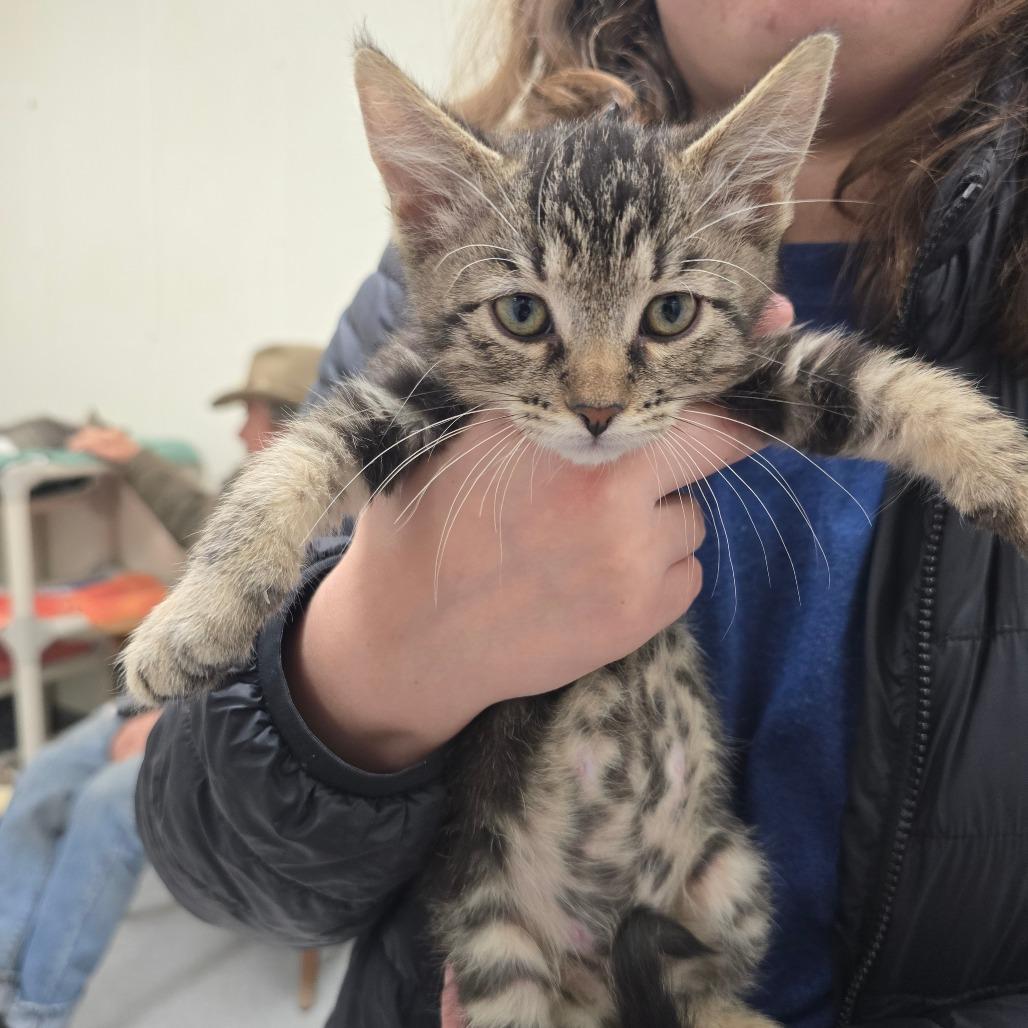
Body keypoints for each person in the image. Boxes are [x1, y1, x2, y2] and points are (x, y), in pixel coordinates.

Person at [135, 3, 1028, 1028]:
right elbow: (215, 850)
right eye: (525, 315)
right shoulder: (441, 292)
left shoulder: (733, 309)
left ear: (755, 206)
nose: (597, 395)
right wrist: (362, 653)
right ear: (426, 217)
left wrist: (986, 456)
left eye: (664, 314)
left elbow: (848, 386)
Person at [0, 343, 321, 1028]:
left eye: (252, 415)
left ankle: (33, 1013)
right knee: (46, 774)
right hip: (183, 697)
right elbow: (199, 514)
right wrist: (129, 453)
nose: (239, 431)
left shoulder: (330, 528)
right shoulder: (256, 489)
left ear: (288, 422)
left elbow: (287, 666)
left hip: (232, 725)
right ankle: (4, 971)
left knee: (104, 810)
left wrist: (175, 725)